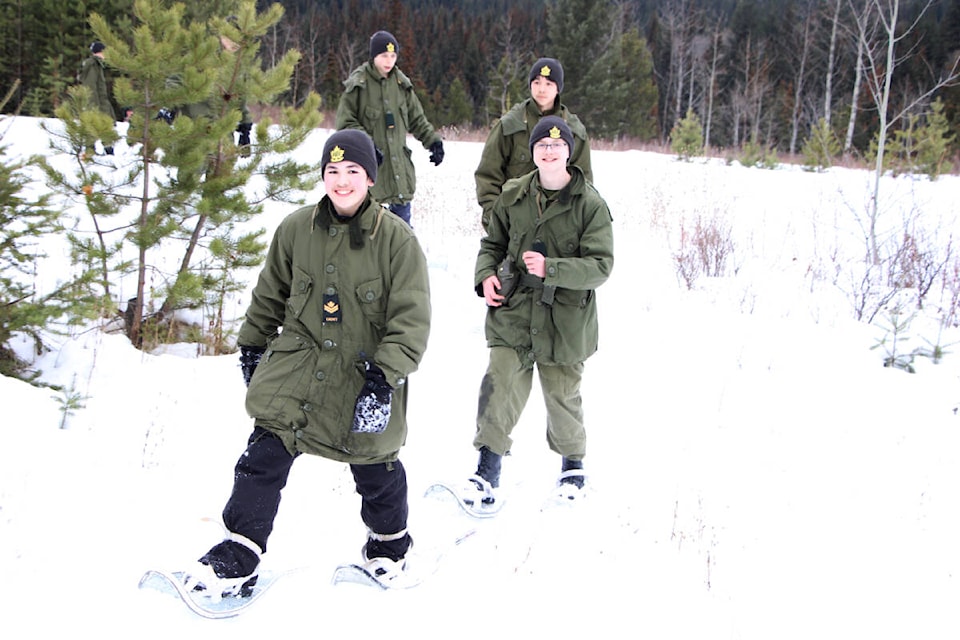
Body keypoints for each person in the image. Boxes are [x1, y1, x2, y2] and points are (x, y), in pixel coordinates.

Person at [180, 129, 431, 596]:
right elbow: (269, 295)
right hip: (299, 367)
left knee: (377, 469)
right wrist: (253, 347)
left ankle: (390, 547)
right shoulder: (296, 229)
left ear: (371, 178)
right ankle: (240, 551)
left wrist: (384, 380)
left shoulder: (397, 240)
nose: (341, 180)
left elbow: (412, 319)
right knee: (262, 456)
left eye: (352, 171)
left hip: (364, 374)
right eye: (332, 171)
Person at [461, 116, 613, 512]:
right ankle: (486, 468)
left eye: (557, 145)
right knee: (499, 384)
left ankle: (573, 466)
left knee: (562, 394)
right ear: (532, 152)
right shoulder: (513, 195)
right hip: (513, 312)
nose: (549, 151)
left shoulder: (590, 204)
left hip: (565, 319)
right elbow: (491, 245)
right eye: (541, 145)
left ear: (570, 151)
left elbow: (601, 266)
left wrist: (553, 268)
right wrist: (485, 277)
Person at [335, 30, 444, 226]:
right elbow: (345, 123)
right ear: (374, 56)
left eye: (393, 56)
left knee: (402, 235)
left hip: (398, 174)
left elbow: (417, 119)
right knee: (367, 232)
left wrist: (433, 142)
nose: (389, 60)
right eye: (384, 55)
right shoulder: (358, 85)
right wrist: (366, 148)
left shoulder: (402, 85)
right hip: (369, 174)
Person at [474, 57, 593, 232]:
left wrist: (574, 224)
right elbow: (488, 176)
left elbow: (584, 183)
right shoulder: (509, 126)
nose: (541, 89)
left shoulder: (574, 131)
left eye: (549, 84)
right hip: (514, 223)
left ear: (558, 88)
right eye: (537, 82)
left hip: (559, 226)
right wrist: (496, 220)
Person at [79, 41, 117, 155]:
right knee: (97, 125)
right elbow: (90, 87)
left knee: (104, 125)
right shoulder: (93, 65)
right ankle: (93, 151)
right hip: (96, 104)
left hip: (100, 102)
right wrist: (93, 107)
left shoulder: (96, 65)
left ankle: (107, 149)